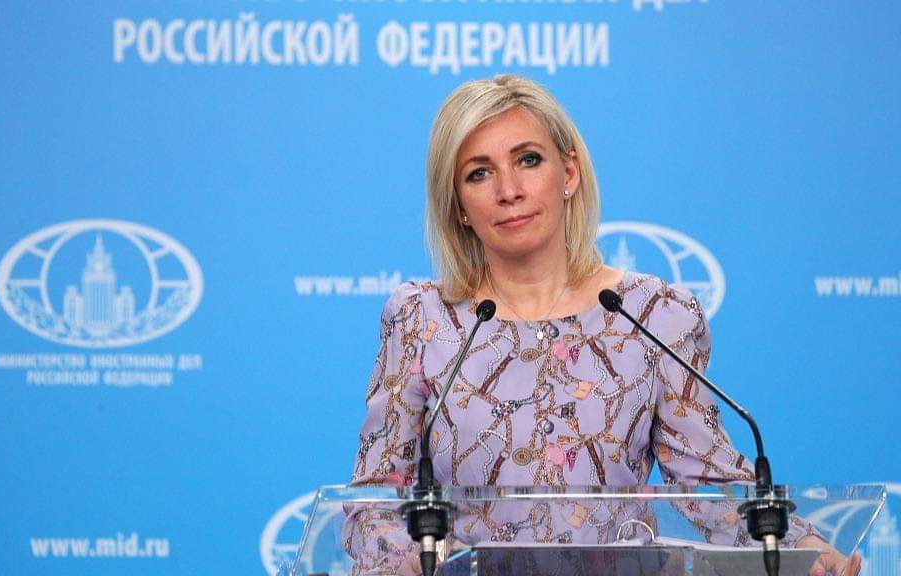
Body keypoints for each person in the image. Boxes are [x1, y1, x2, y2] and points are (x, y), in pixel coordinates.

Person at [347, 74, 859, 576]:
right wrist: (414, 558)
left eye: (528, 160)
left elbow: (708, 485)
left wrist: (802, 545)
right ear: (458, 205)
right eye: (479, 173)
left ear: (569, 173)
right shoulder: (423, 320)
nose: (509, 190)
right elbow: (374, 500)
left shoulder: (649, 314)